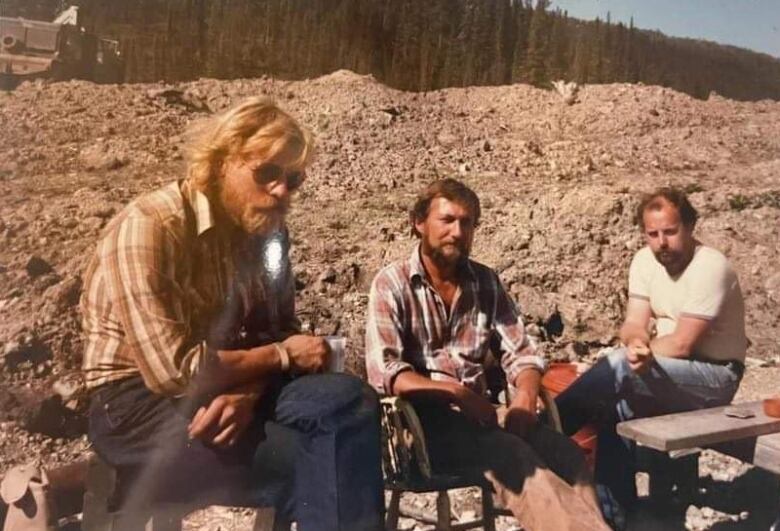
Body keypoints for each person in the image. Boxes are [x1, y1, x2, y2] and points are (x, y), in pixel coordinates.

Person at [80, 97, 384, 530]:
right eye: (267, 173)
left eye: (293, 179)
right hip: (137, 405)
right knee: (323, 457)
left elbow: (278, 332)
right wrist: (279, 359)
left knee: (349, 401)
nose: (281, 190)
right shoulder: (151, 226)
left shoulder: (269, 234)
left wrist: (250, 391)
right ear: (221, 161)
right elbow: (175, 372)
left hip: (231, 381)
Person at [365, 178, 609, 531]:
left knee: (566, 454)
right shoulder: (392, 284)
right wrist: (457, 394)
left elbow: (522, 352)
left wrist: (525, 395)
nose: (457, 232)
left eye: (467, 223)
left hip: (483, 420)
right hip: (421, 429)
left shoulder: (484, 282)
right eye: (447, 220)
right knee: (514, 457)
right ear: (419, 223)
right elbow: (388, 373)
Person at [555, 187, 747, 528]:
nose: (661, 242)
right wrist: (636, 343)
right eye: (653, 233)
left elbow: (684, 344)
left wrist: (632, 357)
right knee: (616, 408)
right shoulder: (645, 260)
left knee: (616, 368)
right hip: (667, 371)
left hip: (714, 377)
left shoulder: (710, 266)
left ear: (689, 227)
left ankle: (544, 434)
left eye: (670, 232)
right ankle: (616, 517)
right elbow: (633, 323)